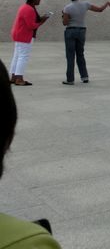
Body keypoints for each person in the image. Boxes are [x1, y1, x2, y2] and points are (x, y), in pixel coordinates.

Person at [0, 58, 62, 247]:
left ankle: (16, 76)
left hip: (22, 36)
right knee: (23, 54)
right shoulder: (32, 242)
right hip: (25, 36)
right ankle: (17, 77)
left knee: (20, 54)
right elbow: (29, 25)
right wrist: (38, 25)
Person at [60, 0, 110, 85]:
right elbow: (100, 10)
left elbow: (65, 23)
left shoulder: (67, 8)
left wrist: (63, 15)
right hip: (82, 31)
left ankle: (70, 79)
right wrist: (106, 4)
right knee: (80, 54)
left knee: (70, 55)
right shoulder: (85, 4)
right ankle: (84, 77)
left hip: (70, 31)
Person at [9, 0, 50, 87]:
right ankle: (19, 79)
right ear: (33, 0)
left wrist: (41, 18)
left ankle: (13, 78)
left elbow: (33, 19)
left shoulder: (26, 7)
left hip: (18, 34)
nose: (40, 0)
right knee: (23, 56)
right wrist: (42, 22)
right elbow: (31, 25)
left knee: (17, 56)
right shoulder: (29, 9)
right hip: (24, 35)